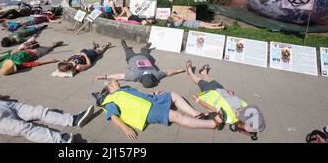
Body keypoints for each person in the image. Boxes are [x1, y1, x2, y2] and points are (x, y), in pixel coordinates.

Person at [0, 86, 95, 143]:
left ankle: (73, 119)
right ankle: (61, 140)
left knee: (39, 111)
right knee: (24, 127)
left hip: (3, 104)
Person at [96, 79, 224, 140]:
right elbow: (113, 116)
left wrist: (154, 93)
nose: (118, 81)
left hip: (152, 100)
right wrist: (126, 129)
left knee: (173, 95)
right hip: (146, 111)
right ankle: (213, 123)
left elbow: (139, 96)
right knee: (176, 116)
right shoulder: (111, 99)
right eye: (115, 81)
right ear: (110, 85)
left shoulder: (125, 88)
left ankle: (195, 114)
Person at [185, 60, 266, 135]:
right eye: (242, 110)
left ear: (241, 122)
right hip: (220, 90)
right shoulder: (244, 105)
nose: (239, 110)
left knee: (198, 81)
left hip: (211, 93)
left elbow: (212, 108)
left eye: (240, 113)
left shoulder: (229, 118)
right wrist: (230, 94)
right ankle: (204, 72)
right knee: (211, 80)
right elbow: (234, 99)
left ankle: (189, 71)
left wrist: (197, 100)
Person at [95, 40, 186, 88]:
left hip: (132, 58)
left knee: (128, 51)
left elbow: (120, 76)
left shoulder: (135, 76)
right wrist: (180, 70)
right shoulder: (156, 75)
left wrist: (105, 76)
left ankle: (125, 46)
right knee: (145, 51)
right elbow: (167, 72)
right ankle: (146, 47)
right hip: (144, 57)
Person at [0, 40, 65, 76]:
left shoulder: (20, 64)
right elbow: (11, 53)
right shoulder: (2, 63)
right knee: (38, 46)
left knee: (47, 49)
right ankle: (49, 45)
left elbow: (35, 64)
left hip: (33, 54)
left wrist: (50, 61)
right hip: (24, 50)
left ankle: (54, 46)